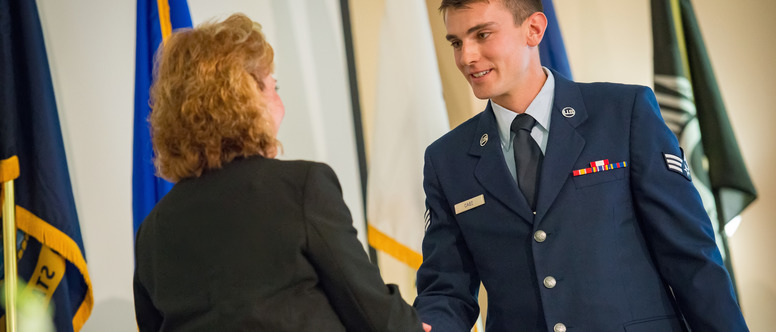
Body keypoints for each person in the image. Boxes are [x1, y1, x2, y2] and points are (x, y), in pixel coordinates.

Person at [413, 0, 748, 331]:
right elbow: (446, 289)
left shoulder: (623, 113)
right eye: (456, 42)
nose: (466, 57)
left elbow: (690, 257)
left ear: (533, 29)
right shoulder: (446, 159)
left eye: (482, 35)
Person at [133, 13, 428, 332]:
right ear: (246, 99)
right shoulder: (302, 188)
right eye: (273, 86)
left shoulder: (152, 231)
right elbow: (373, 314)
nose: (280, 100)